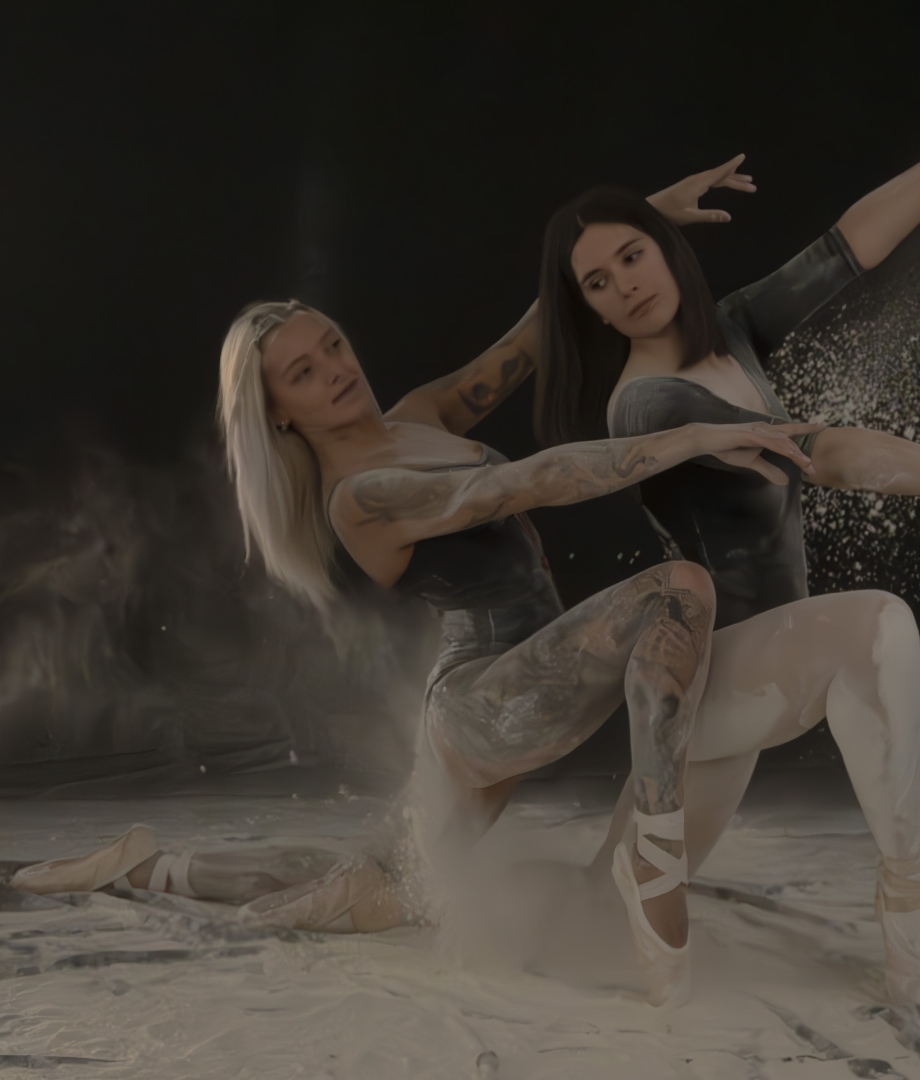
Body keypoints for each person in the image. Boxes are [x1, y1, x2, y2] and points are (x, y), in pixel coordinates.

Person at [14, 298, 824, 1008]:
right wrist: (691, 435)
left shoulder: (417, 419)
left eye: (332, 344)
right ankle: (654, 863)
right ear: (279, 413)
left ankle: (149, 866)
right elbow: (527, 483)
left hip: (495, 691)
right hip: (486, 702)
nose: (336, 369)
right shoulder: (358, 498)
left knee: (389, 879)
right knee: (678, 589)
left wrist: (630, 227)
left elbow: (520, 346)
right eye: (303, 372)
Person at [531, 109, 920, 1003]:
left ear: (666, 247)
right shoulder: (646, 405)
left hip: (753, 675)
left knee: (601, 899)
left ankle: (555, 894)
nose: (625, 287)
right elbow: (823, 453)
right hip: (710, 683)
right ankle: (908, 894)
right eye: (598, 282)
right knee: (877, 625)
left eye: (632, 256)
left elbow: (847, 246)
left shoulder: (731, 331)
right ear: (589, 308)